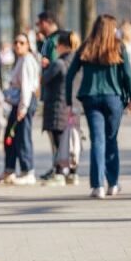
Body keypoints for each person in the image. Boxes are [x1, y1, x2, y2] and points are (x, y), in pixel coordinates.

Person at [66, 14, 131, 199]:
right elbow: (128, 76)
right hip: (114, 98)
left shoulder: (86, 47)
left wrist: (68, 101)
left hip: (90, 98)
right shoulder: (119, 47)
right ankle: (113, 184)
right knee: (111, 139)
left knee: (97, 140)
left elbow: (70, 75)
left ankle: (98, 186)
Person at [0, 34, 40, 185]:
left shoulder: (27, 60)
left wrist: (23, 107)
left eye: (22, 42)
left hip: (24, 102)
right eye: (15, 42)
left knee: (22, 138)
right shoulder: (21, 60)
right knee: (10, 136)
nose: (18, 45)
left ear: (28, 44)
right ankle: (9, 169)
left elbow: (27, 86)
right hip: (19, 103)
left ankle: (28, 171)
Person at [41, 31, 79, 186]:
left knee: (58, 142)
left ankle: (59, 173)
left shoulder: (58, 63)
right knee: (72, 142)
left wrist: (45, 68)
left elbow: (44, 79)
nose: (56, 48)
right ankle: (72, 173)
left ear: (63, 46)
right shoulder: (76, 61)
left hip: (57, 106)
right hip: (73, 106)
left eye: (57, 45)